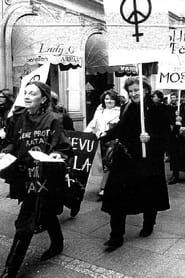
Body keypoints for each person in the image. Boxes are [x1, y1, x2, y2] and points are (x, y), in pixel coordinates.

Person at [0, 81, 73, 278]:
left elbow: (63, 147)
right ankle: (57, 244)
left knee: (25, 222)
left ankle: (10, 269)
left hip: (45, 176)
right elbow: (9, 143)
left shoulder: (53, 119)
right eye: (26, 92)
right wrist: (5, 153)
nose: (27, 95)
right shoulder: (17, 118)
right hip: (24, 175)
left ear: (43, 99)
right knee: (46, 212)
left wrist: (58, 154)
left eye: (33, 93)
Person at [100, 76, 170, 252]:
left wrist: (151, 138)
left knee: (149, 195)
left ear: (146, 89)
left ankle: (149, 223)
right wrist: (104, 135)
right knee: (117, 198)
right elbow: (120, 129)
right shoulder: (126, 107)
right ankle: (116, 236)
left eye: (137, 90)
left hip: (147, 161)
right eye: (130, 91)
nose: (133, 94)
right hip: (125, 159)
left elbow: (167, 137)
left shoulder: (157, 109)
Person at [85, 89, 120, 197]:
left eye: (112, 99)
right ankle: (107, 186)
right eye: (107, 99)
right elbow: (93, 123)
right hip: (100, 140)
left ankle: (104, 188)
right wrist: (86, 134)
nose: (109, 101)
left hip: (113, 141)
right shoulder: (100, 110)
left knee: (109, 163)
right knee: (103, 164)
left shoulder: (119, 111)